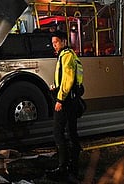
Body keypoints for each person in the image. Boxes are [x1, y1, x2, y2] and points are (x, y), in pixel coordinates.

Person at [47, 30, 84, 182]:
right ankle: (72, 167)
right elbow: (66, 79)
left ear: (63, 41)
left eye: (56, 42)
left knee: (58, 132)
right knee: (72, 133)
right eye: (53, 43)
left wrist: (60, 100)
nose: (54, 45)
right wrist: (55, 87)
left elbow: (68, 81)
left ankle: (63, 168)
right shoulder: (68, 55)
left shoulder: (67, 56)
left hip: (67, 101)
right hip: (72, 100)